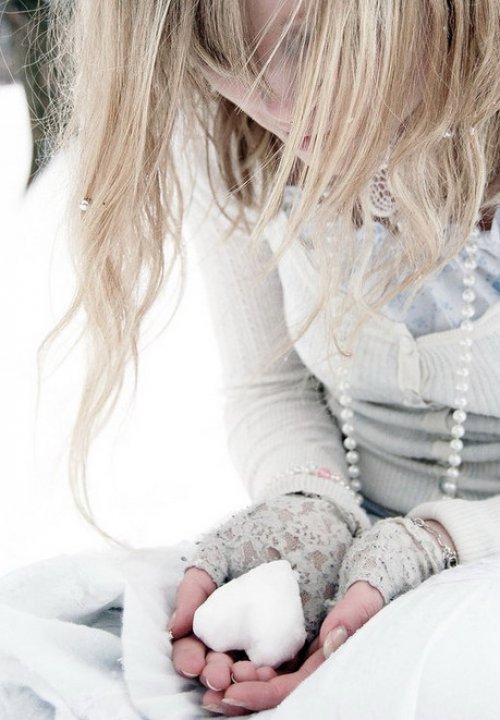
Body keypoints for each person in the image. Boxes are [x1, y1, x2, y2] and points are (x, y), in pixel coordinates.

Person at [41, 0, 500, 716]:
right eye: (224, 62)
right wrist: (306, 509)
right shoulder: (234, 133)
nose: (281, 108)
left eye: (307, 41)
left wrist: (442, 543)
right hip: (354, 551)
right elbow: (268, 386)